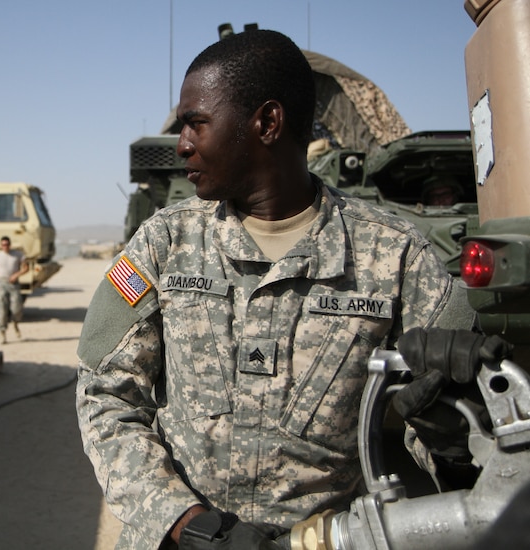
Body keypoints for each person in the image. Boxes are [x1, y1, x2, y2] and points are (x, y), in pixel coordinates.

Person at [76, 29, 474, 549]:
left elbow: (462, 447)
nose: (182, 144)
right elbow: (105, 394)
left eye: (197, 123)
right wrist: (186, 521)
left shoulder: (395, 256)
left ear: (266, 123)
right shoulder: (164, 243)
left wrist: (452, 436)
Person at [0, 236, 28, 343]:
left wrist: (16, 275)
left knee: (16, 308)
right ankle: (3, 333)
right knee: (1, 309)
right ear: (0, 246)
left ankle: (15, 323)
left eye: (6, 244)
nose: (5, 247)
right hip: (1, 283)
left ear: (9, 245)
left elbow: (25, 268)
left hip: (13, 283)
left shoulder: (17, 254)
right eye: (3, 245)